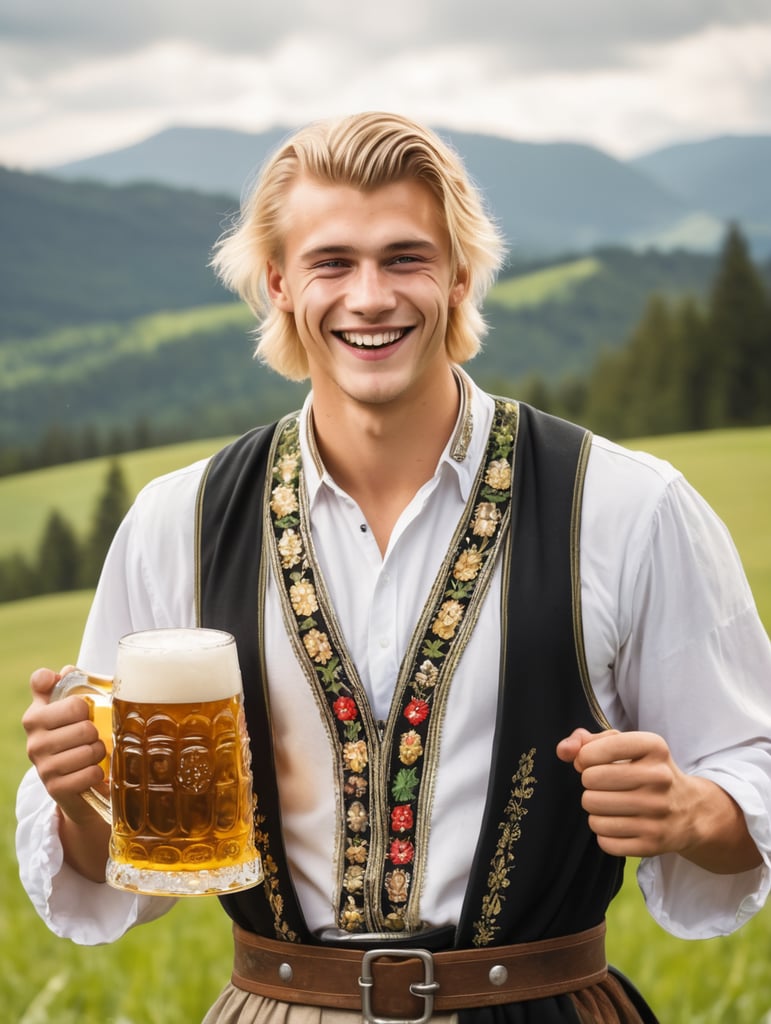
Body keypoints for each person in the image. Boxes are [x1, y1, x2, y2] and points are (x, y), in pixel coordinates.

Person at [17, 111, 771, 1023]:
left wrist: (694, 812)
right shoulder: (176, 522)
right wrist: (75, 796)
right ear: (278, 283)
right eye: (332, 262)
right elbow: (117, 870)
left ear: (458, 276)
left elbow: (751, 773)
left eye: (405, 258)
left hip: (544, 1008)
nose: (369, 296)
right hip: (277, 1009)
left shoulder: (625, 504)